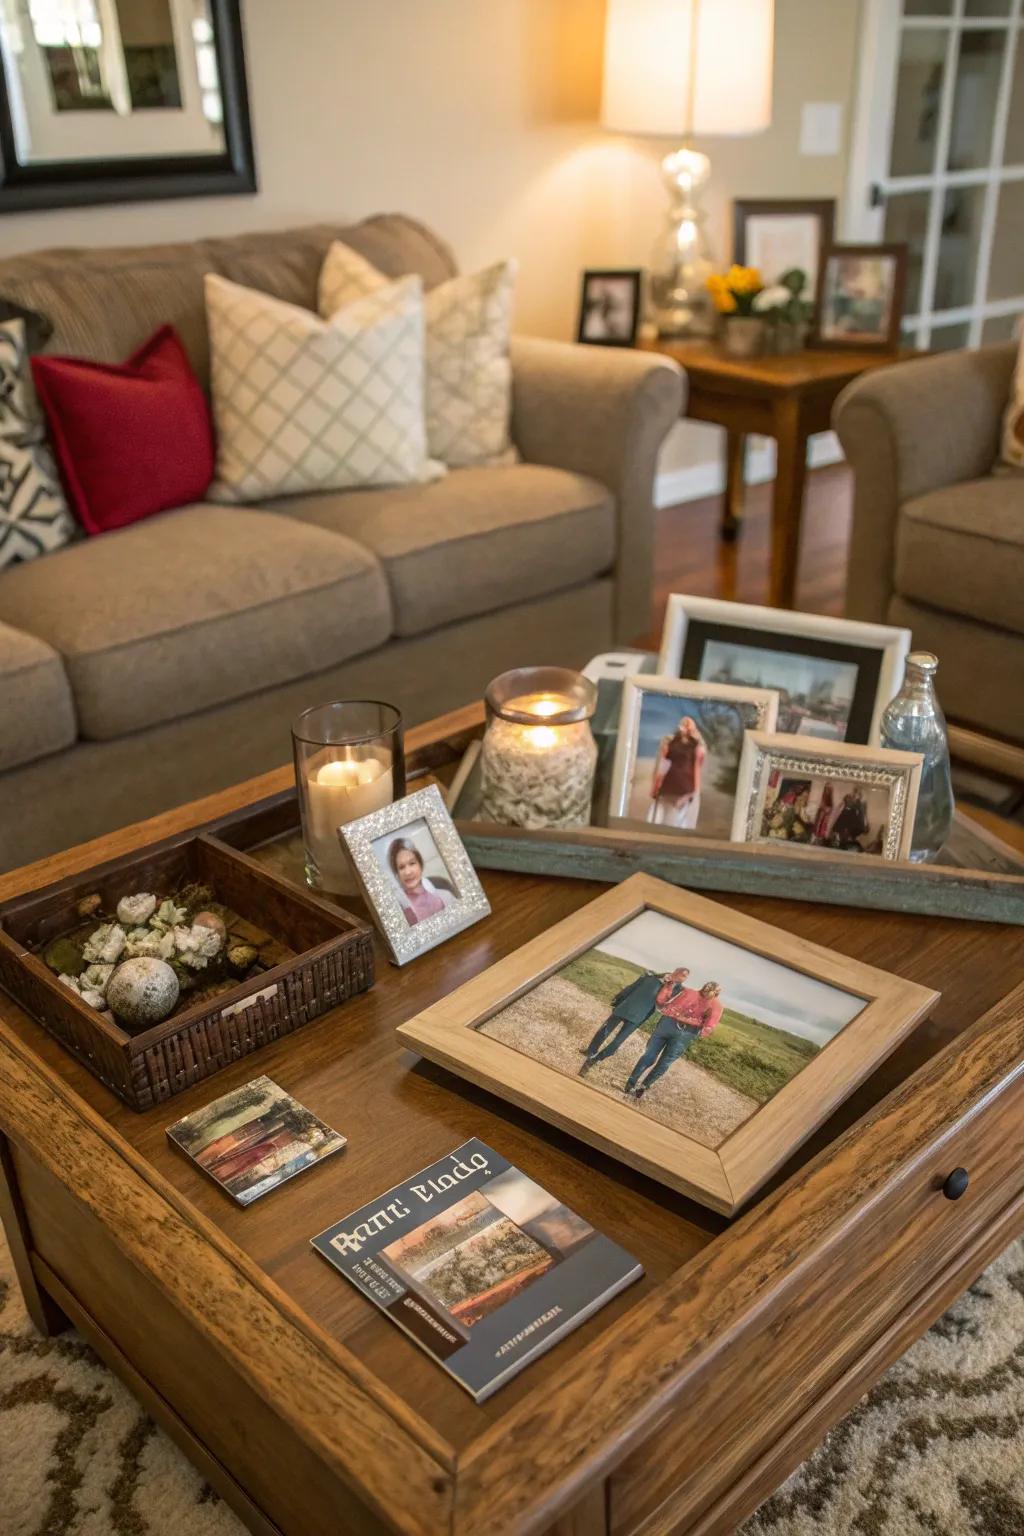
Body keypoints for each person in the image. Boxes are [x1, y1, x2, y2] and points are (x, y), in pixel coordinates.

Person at [624, 981, 723, 1100]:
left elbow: (711, 1023)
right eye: (705, 989)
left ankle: (643, 1087)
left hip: (687, 1033)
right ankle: (630, 1083)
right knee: (649, 1056)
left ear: (716, 994)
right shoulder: (688, 992)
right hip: (668, 1023)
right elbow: (669, 1003)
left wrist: (705, 1028)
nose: (706, 993)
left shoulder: (717, 1006)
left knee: (664, 1063)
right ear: (703, 987)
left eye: (710, 992)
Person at [579, 967, 687, 1074]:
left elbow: (667, 1007)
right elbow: (632, 987)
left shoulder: (677, 991)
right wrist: (618, 999)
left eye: (685, 977)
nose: (684, 978)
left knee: (616, 1044)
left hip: (639, 1016)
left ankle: (593, 1059)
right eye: (683, 974)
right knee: (604, 1031)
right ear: (676, 971)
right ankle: (591, 1051)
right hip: (625, 1007)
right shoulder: (651, 977)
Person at [647, 716, 705, 830]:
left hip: (682, 789)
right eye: (684, 724)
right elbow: (663, 765)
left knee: (671, 822)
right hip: (673, 786)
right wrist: (655, 785)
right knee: (667, 821)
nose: (686, 727)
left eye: (688, 725)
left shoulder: (696, 747)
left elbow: (697, 769)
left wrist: (695, 792)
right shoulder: (671, 743)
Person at [388, 837, 453, 926]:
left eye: (412, 863)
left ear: (420, 865)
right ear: (397, 874)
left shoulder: (446, 896)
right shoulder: (400, 914)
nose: (408, 872)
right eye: (401, 867)